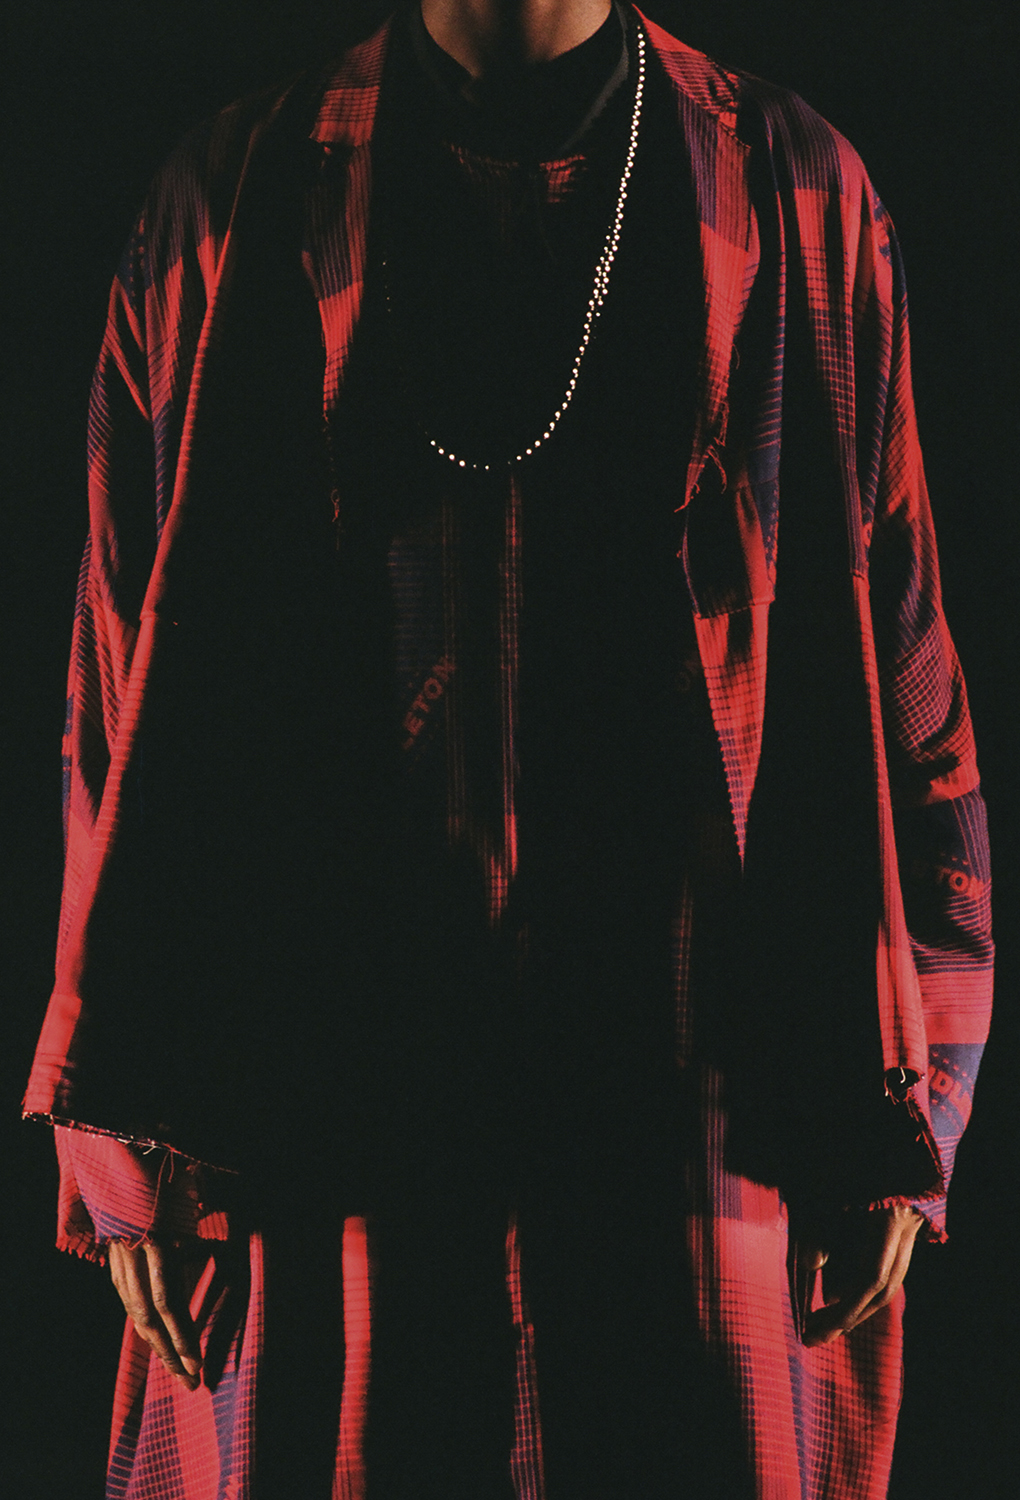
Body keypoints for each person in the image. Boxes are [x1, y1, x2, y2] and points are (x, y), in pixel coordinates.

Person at [24, 2, 992, 1496]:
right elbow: (114, 698)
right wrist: (130, 1145)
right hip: (326, 1104)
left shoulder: (795, 191)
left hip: (698, 1100)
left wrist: (912, 1097)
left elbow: (911, 679)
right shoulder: (229, 198)